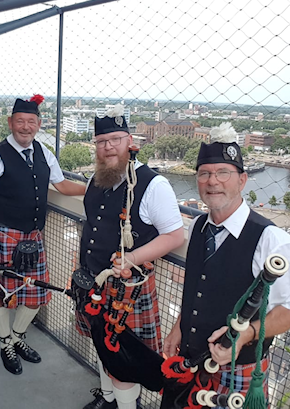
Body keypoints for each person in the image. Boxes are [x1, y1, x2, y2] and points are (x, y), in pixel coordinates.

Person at [160, 123, 290, 408]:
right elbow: (196, 287)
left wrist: (246, 336)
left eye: (223, 173)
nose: (212, 181)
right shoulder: (198, 226)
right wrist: (179, 326)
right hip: (192, 356)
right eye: (204, 174)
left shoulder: (273, 241)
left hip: (238, 368)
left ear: (242, 180)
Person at [77, 106, 185, 409]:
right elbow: (90, 230)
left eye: (115, 139)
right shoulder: (93, 181)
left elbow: (176, 236)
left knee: (123, 357)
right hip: (93, 282)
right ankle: (108, 398)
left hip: (128, 289)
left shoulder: (153, 185)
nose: (108, 147)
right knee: (102, 345)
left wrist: (132, 256)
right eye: (101, 141)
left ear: (129, 141)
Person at [0, 94, 86, 375]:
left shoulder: (45, 153)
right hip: (2, 234)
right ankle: (5, 343)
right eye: (20, 121)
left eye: (31, 122)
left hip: (33, 236)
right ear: (11, 122)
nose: (25, 127)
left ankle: (17, 337)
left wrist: (96, 187)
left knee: (36, 293)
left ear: (39, 124)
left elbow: (62, 186)